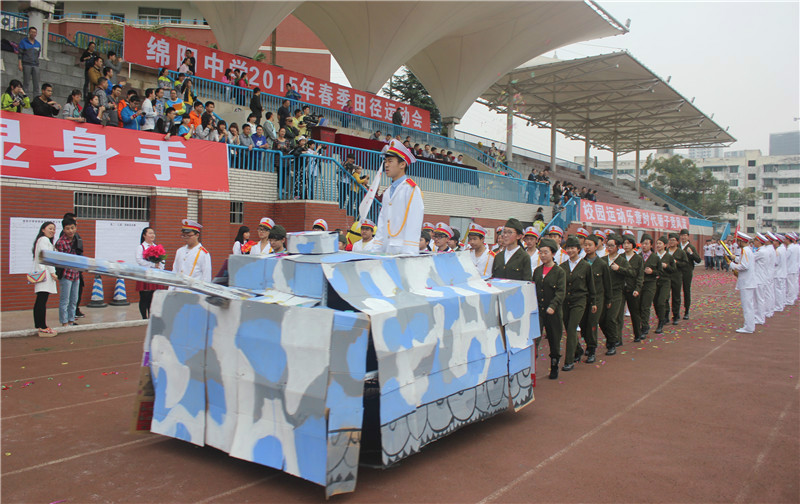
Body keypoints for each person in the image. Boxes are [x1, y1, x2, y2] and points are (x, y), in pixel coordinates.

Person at [371, 140, 424, 255]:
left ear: (402, 164)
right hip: (386, 252)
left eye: (390, 161)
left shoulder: (411, 190)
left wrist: (409, 254)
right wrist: (376, 250)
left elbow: (413, 224)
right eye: (385, 161)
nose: (386, 165)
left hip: (402, 253)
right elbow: (382, 223)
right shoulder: (387, 192)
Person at [560, 236, 596, 371]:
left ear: (578, 249)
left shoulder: (585, 266)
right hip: (565, 301)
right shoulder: (562, 266)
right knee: (568, 327)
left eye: (573, 248)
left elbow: (591, 286)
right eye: (568, 248)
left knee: (571, 329)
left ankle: (569, 361)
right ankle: (578, 350)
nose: (570, 250)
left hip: (580, 301)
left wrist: (593, 302)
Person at [533, 238, 566, 380]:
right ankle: (531, 367)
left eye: (546, 252)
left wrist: (553, 306)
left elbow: (561, 292)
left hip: (553, 312)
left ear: (552, 254)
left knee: (554, 339)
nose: (543, 255)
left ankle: (554, 365)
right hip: (539, 311)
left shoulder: (559, 272)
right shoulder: (537, 271)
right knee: (536, 339)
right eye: (540, 252)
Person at [577, 234, 611, 363]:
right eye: (585, 245)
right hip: (584, 298)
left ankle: (592, 349)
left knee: (592, 323)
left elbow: (607, 284)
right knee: (583, 324)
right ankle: (588, 343)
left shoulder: (602, 264)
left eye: (590, 245)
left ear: (596, 246)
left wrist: (608, 300)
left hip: (597, 299)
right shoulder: (582, 263)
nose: (587, 247)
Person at [600, 234, 630, 354]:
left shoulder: (622, 260)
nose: (609, 247)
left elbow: (631, 272)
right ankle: (611, 338)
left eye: (612, 245)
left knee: (611, 318)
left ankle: (612, 343)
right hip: (604, 293)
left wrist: (619, 269)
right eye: (608, 245)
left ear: (618, 247)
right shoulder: (603, 260)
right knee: (602, 319)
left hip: (617, 293)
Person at [31, 221, 59, 337]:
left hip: (43, 273)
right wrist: (53, 273)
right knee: (42, 300)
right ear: (43, 229)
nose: (52, 231)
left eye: (54, 229)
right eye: (50, 228)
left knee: (41, 300)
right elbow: (47, 257)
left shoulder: (44, 241)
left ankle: (40, 325)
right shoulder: (43, 240)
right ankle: (42, 326)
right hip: (45, 274)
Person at [134, 227, 167, 319]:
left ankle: (151, 316)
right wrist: (152, 264)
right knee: (145, 298)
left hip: (155, 276)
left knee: (153, 299)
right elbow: (139, 260)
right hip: (145, 275)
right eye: (150, 233)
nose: (152, 235)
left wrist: (160, 266)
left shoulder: (157, 247)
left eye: (153, 233)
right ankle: (144, 318)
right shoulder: (141, 247)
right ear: (144, 235)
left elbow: (162, 260)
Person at [728, 232, 757, 333]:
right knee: (749, 304)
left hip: (746, 282)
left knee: (747, 305)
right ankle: (749, 325)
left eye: (738, 241)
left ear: (741, 241)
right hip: (748, 281)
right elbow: (743, 261)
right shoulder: (747, 250)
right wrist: (734, 258)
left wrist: (732, 264)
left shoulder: (745, 250)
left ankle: (748, 327)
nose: (737, 244)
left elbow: (744, 266)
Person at [55, 217, 80, 327]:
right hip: (66, 274)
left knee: (74, 300)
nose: (70, 231)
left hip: (76, 274)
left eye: (72, 228)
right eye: (67, 228)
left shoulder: (77, 239)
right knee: (65, 300)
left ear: (76, 228)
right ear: (63, 230)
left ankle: (71, 320)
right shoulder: (61, 242)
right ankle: (64, 322)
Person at [620, 234, 644, 343]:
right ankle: (617, 338)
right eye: (624, 243)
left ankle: (637, 334)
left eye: (628, 243)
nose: (626, 245)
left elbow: (640, 276)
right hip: (621, 290)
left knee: (635, 313)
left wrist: (637, 289)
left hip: (632, 289)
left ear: (633, 245)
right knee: (618, 315)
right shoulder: (620, 258)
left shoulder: (638, 258)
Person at [172, 220, 211, 284]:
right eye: (184, 236)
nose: (186, 238)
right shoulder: (180, 251)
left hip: (193, 291)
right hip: (179, 289)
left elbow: (206, 278)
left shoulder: (203, 253)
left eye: (189, 236)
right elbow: (175, 272)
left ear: (197, 235)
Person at [652, 236, 676, 334]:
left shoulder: (669, 257)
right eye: (657, 243)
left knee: (661, 301)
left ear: (665, 245)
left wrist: (666, 266)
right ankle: (661, 316)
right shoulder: (654, 256)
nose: (658, 245)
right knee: (655, 302)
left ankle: (661, 322)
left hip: (665, 281)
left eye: (660, 243)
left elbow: (673, 270)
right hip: (655, 281)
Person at [678, 229, 701, 319]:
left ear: (688, 236)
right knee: (676, 292)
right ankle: (676, 312)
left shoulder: (691, 247)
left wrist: (691, 253)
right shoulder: (677, 246)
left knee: (686, 291)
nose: (683, 237)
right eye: (682, 235)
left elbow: (698, 260)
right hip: (678, 272)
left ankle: (686, 311)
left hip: (687, 272)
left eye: (685, 235)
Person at [638, 234, 659, 336]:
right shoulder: (637, 257)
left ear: (651, 245)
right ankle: (640, 324)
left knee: (645, 305)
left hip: (650, 284)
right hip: (639, 284)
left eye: (646, 244)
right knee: (638, 306)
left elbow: (661, 272)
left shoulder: (655, 257)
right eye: (643, 243)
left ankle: (645, 326)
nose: (644, 246)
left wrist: (652, 271)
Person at [666, 233, 689, 325]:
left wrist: (677, 262)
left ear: (677, 242)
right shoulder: (666, 251)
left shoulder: (681, 252)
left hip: (677, 276)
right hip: (666, 277)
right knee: (665, 297)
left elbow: (685, 264)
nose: (671, 242)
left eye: (673, 240)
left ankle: (675, 315)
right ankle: (665, 316)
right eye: (670, 240)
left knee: (676, 297)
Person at [18, 26, 41, 96]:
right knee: (26, 83)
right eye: (32, 32)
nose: (33, 34)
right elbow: (20, 54)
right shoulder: (23, 42)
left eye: (35, 32)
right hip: (26, 64)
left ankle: (36, 100)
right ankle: (25, 98)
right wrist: (20, 64)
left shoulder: (38, 44)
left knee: (36, 83)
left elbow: (38, 54)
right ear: (29, 32)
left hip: (35, 65)